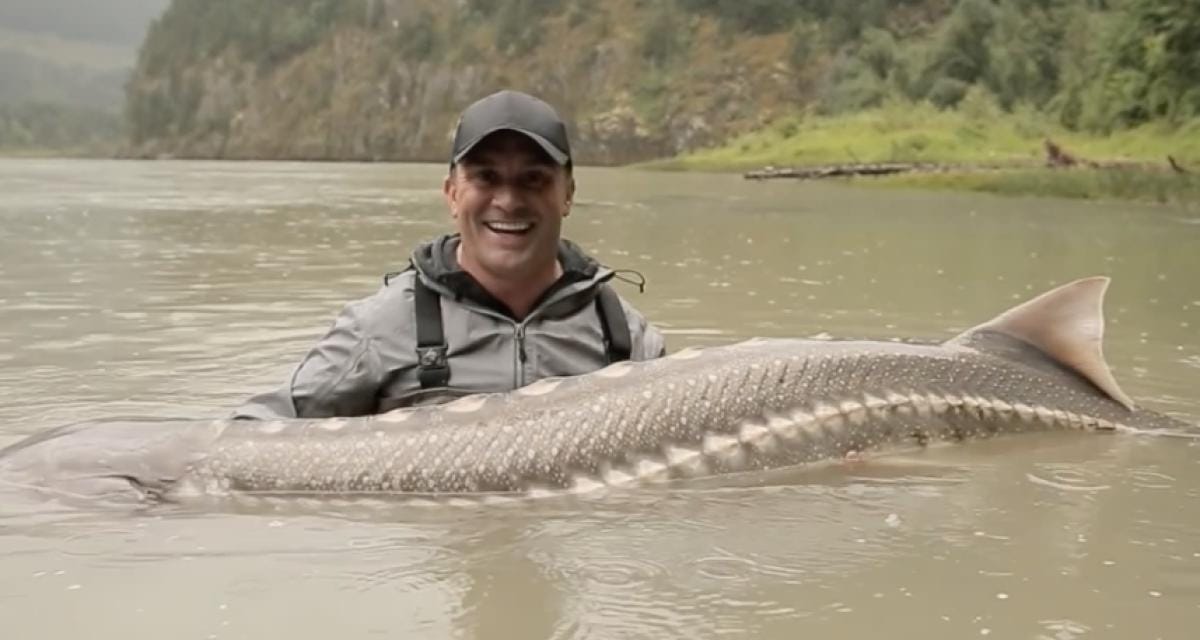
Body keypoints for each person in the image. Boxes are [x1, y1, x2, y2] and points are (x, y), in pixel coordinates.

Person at [233, 90, 666, 419]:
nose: (508, 200)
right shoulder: (380, 327)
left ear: (568, 195)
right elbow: (252, 434)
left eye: (533, 180)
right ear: (452, 194)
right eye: (486, 178)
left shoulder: (626, 338)